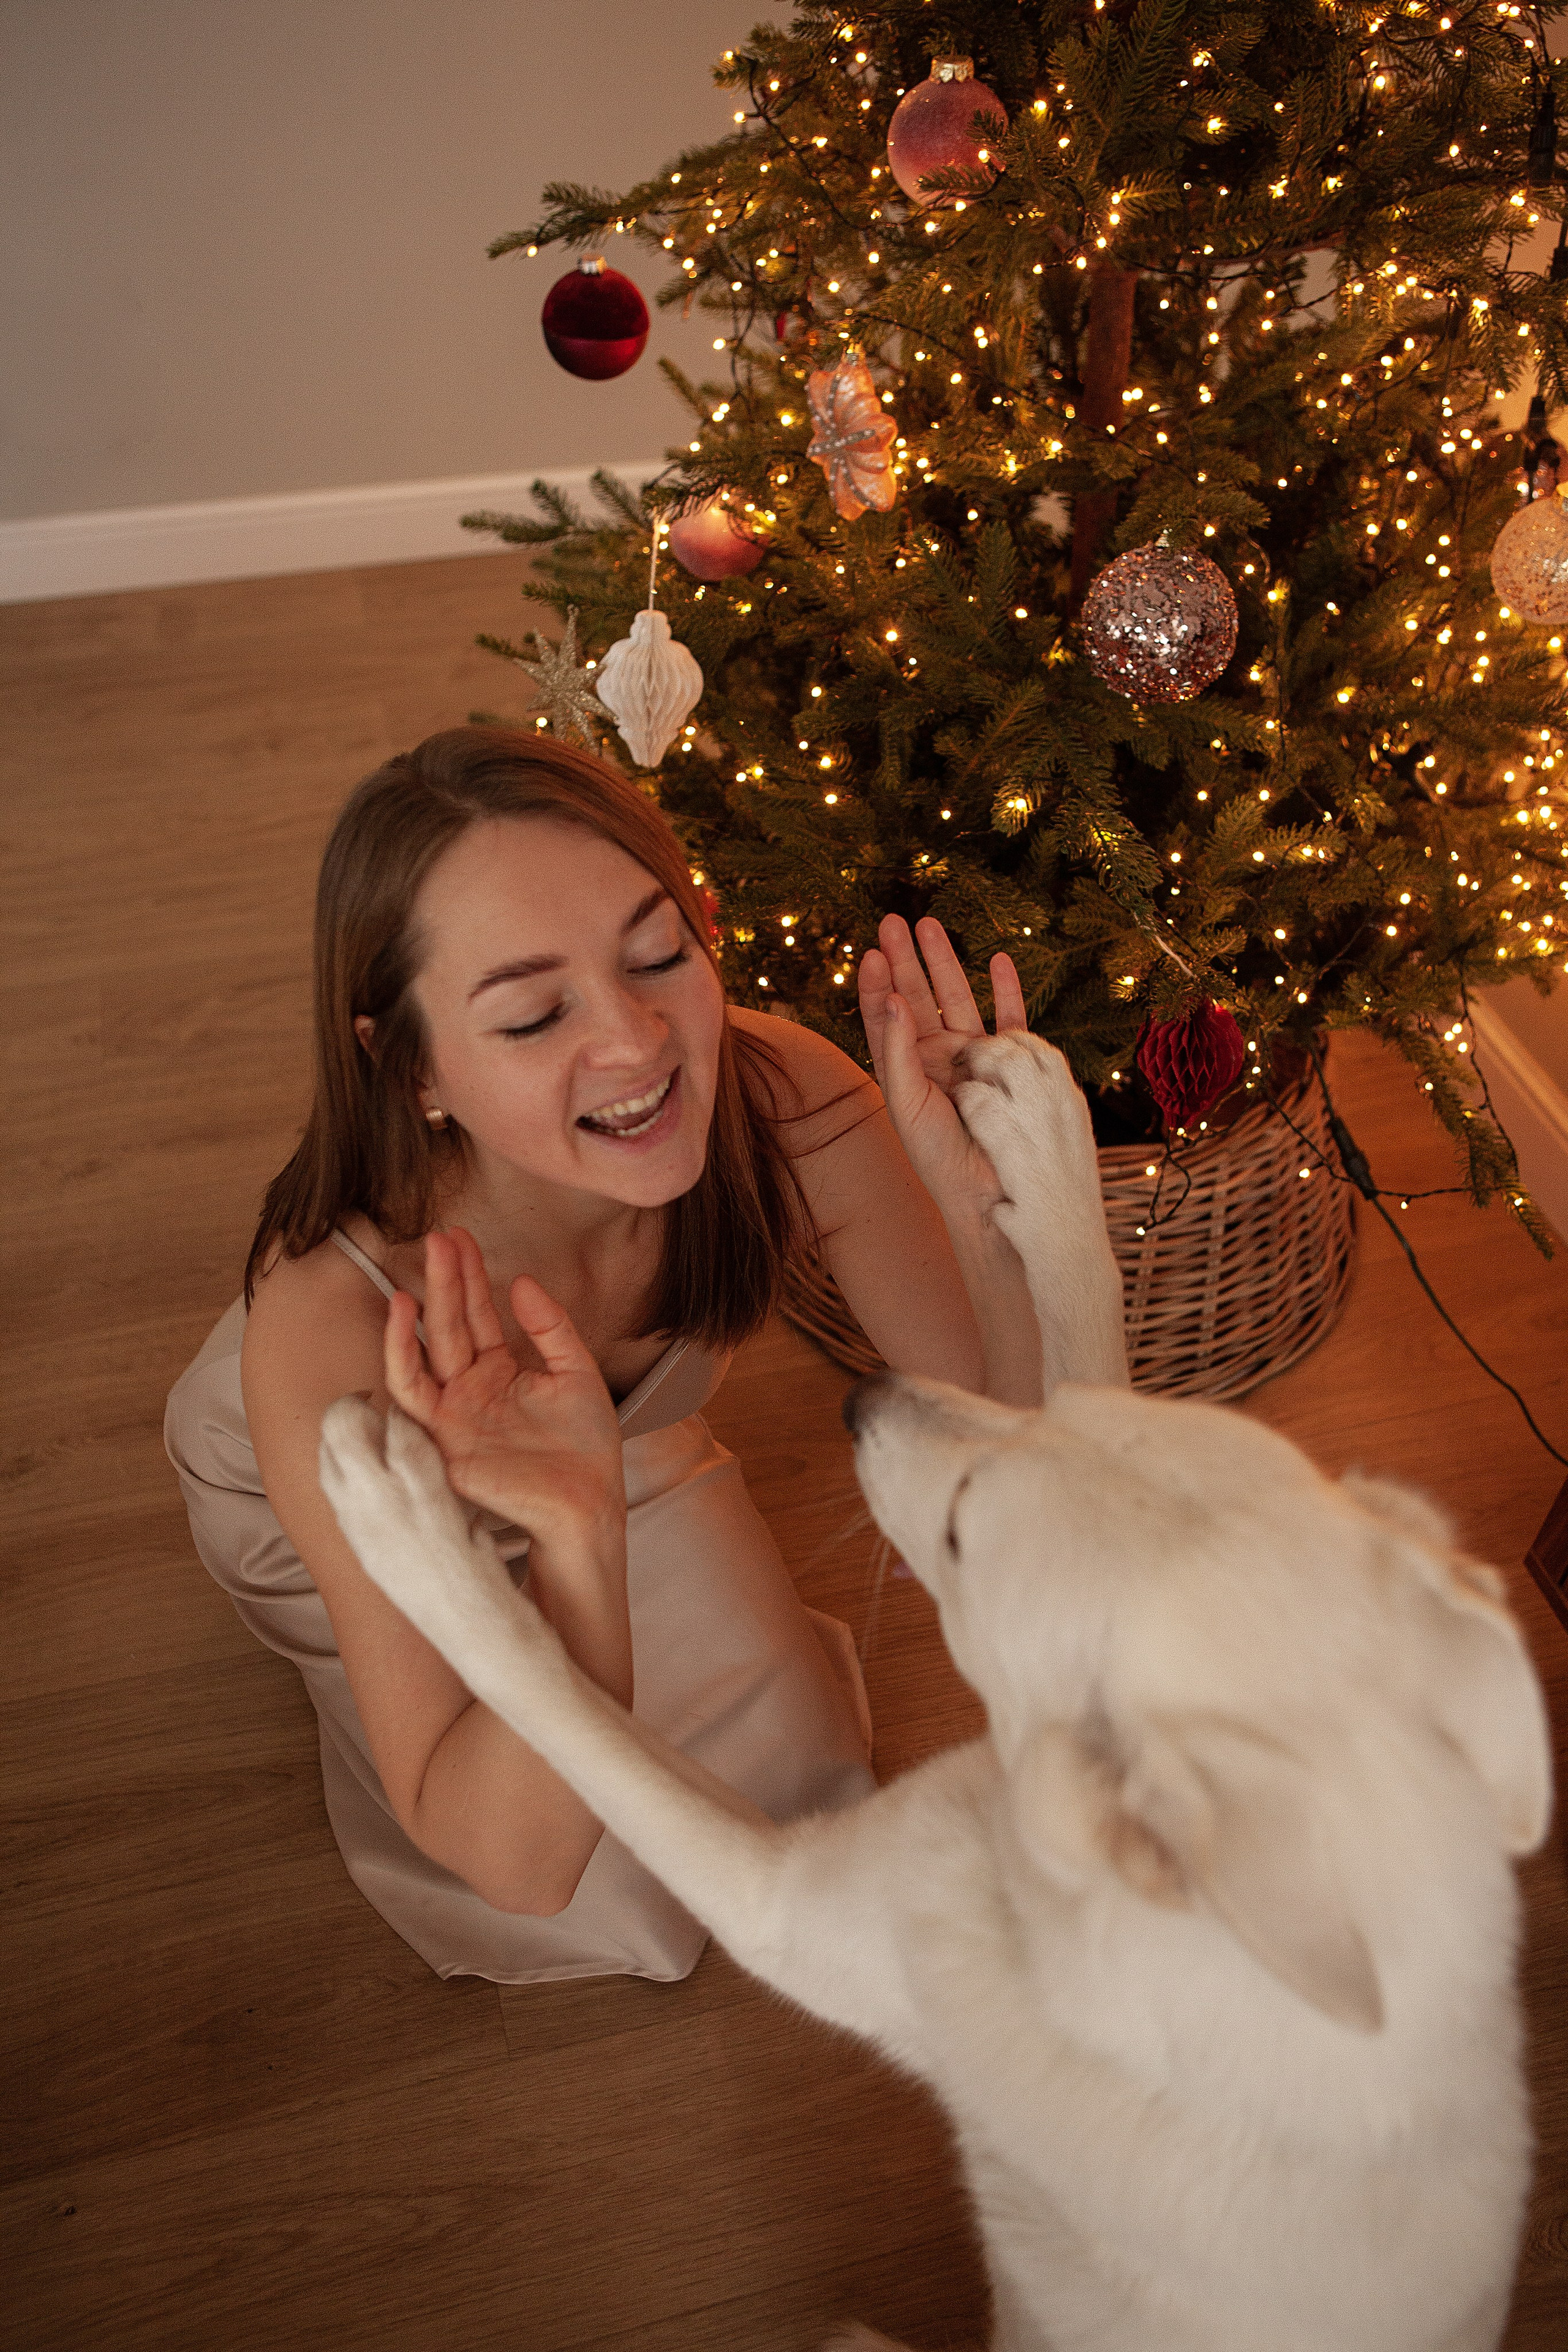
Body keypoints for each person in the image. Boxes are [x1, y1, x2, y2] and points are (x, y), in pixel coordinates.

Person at [165, 725, 1044, 1985]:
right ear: (411, 1068)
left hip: (596, 1449)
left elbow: (1010, 1448)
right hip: (355, 1485)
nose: (639, 1045)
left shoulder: (781, 1096)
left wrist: (985, 1212)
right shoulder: (329, 1331)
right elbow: (509, 1861)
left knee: (793, 1779)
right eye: (532, 1016)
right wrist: (578, 1541)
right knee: (582, 1893)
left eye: (657, 953)